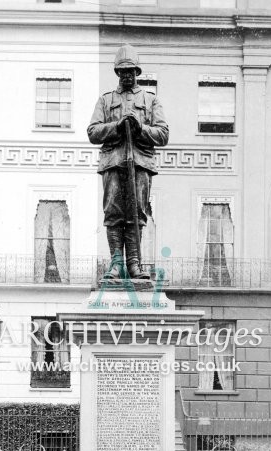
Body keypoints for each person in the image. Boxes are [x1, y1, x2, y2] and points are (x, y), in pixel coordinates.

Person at [87, 44, 169, 279]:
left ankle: (133, 263)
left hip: (140, 163)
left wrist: (140, 127)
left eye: (130, 71)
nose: (126, 75)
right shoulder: (105, 101)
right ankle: (116, 264)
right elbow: (92, 132)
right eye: (122, 71)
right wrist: (117, 126)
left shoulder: (151, 100)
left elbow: (163, 134)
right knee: (113, 213)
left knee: (136, 213)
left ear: (137, 72)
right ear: (117, 73)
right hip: (113, 163)